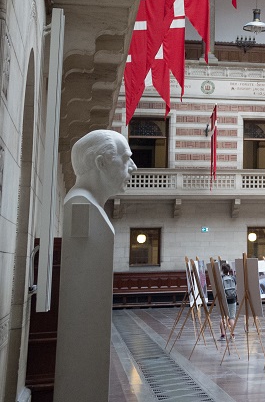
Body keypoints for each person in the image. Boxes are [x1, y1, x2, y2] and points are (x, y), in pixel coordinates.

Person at [55, 130, 136, 402]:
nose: (134, 168)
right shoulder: (82, 206)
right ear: (101, 163)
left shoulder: (89, 207)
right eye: (126, 159)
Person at [220, 263, 237, 339]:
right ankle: (232, 334)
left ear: (222, 270)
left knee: (223, 317)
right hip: (232, 299)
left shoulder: (221, 278)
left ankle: (223, 334)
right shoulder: (233, 278)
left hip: (224, 299)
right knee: (231, 318)